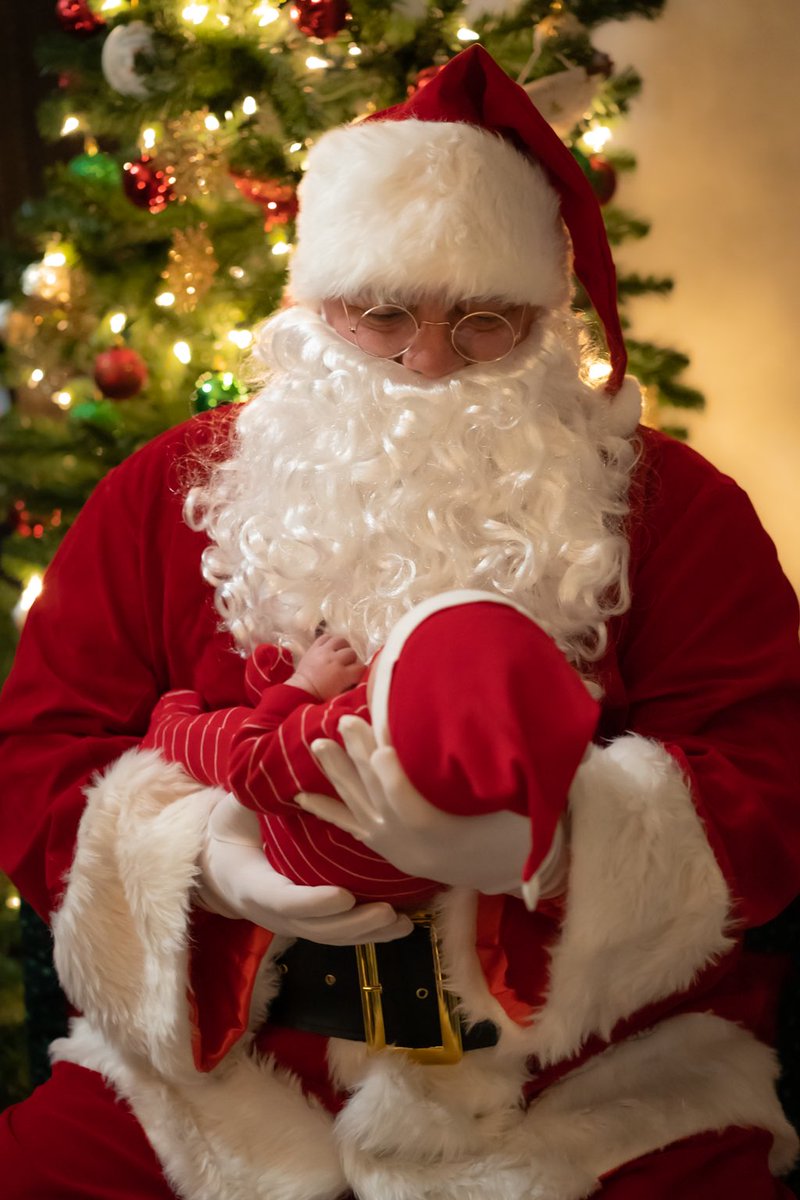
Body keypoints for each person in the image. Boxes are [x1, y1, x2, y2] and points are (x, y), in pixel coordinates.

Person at [1, 43, 799, 1200]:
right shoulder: (164, 492)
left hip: (587, 1080)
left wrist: (560, 846)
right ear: (314, 312)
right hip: (225, 1078)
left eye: (482, 322)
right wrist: (207, 867)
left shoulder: (674, 506)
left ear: (545, 318)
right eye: (381, 315)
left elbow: (768, 771)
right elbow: (41, 749)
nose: (426, 361)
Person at [141, 590, 597, 907]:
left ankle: (167, 724)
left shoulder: (347, 727)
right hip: (402, 882)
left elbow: (248, 766)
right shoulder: (484, 758)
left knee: (222, 735)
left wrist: (303, 685)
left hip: (296, 840)